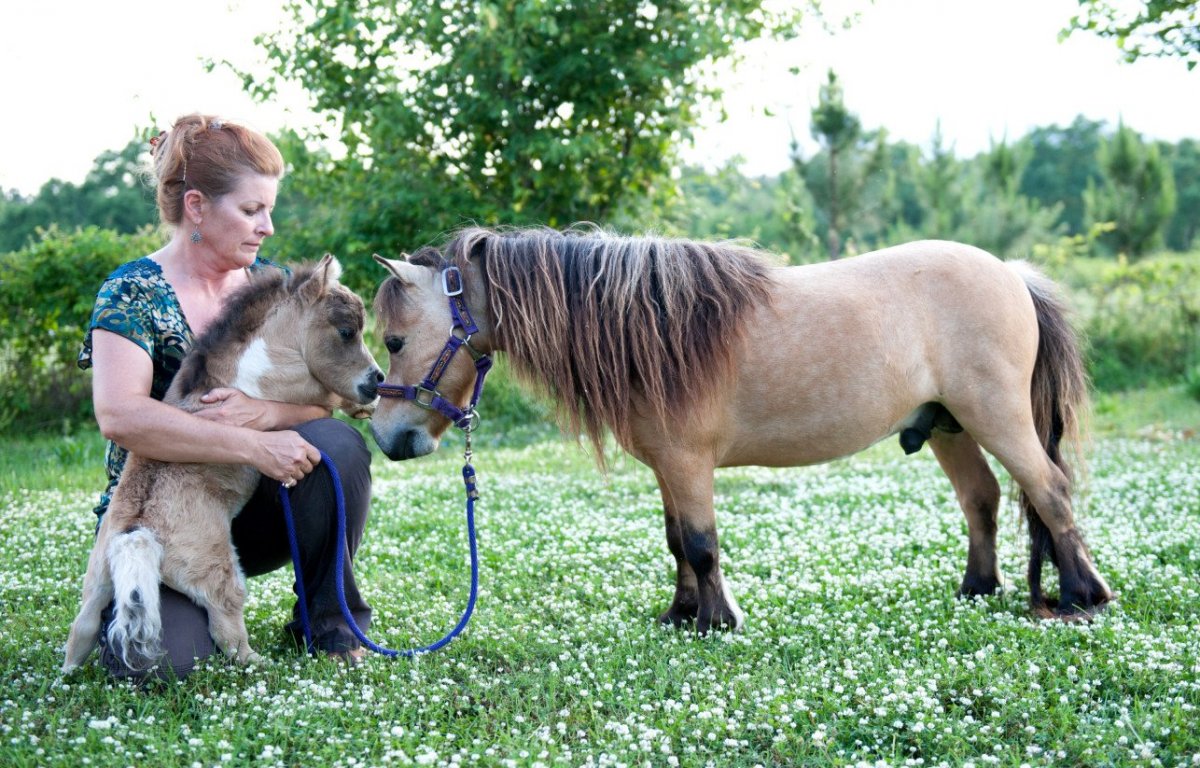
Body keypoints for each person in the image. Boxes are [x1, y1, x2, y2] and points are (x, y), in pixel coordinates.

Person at [76, 114, 373, 678]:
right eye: (251, 210)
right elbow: (121, 416)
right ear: (196, 207)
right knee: (153, 665)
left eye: (269, 209)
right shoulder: (132, 292)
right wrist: (251, 445)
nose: (268, 226)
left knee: (338, 446)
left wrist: (268, 414)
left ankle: (330, 621)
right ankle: (169, 609)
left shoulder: (280, 288)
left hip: (258, 508)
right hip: (162, 520)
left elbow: (328, 399)